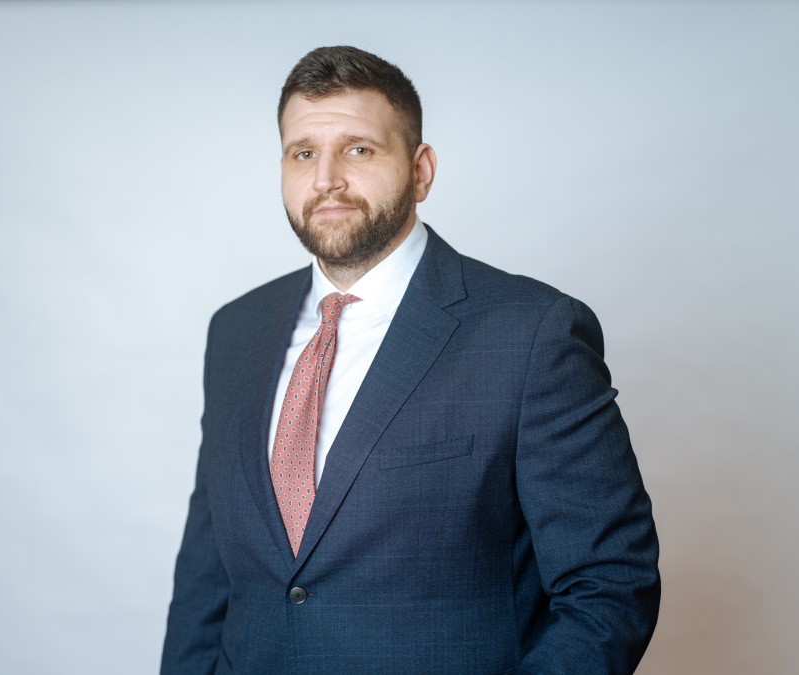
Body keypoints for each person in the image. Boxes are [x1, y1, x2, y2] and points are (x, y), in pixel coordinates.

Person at [161, 45, 660, 675]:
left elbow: (610, 584)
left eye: (359, 149)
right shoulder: (236, 331)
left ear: (420, 171)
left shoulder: (532, 333)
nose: (326, 179)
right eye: (303, 153)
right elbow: (207, 576)